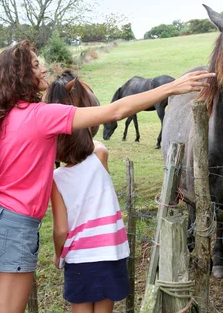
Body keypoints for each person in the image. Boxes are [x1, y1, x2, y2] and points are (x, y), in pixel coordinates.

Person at [0, 40, 214, 313]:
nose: (43, 70)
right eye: (36, 65)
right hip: (16, 227)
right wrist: (172, 87)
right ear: (21, 75)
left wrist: (4, 212)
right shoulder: (41, 116)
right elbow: (115, 111)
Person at [48, 77, 130, 313]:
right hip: (110, 253)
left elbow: (61, 229)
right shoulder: (100, 155)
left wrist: (57, 255)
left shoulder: (56, 179)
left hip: (79, 259)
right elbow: (95, 144)